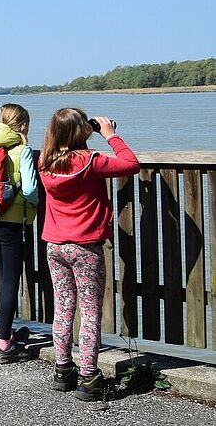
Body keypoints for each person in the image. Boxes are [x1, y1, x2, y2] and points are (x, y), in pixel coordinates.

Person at [38, 109, 140, 401]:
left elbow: (67, 151)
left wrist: (84, 132)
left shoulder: (45, 161)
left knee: (63, 308)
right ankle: (88, 377)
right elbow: (131, 164)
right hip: (85, 247)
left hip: (55, 246)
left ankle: (62, 370)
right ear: (81, 131)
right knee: (91, 311)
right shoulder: (91, 161)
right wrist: (109, 134)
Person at [0, 103, 38, 364]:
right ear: (23, 124)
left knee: (4, 277)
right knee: (11, 281)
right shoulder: (21, 150)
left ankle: (7, 332)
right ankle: (4, 344)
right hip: (13, 225)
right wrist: (35, 205)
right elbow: (30, 191)